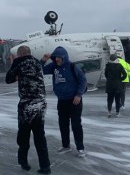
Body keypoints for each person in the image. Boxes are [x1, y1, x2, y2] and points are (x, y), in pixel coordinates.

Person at [5, 46, 51, 174]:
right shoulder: (37, 62)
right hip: (41, 104)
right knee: (40, 136)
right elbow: (34, 70)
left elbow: (8, 79)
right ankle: (45, 166)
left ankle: (23, 162)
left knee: (24, 136)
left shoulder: (19, 62)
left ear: (19, 54)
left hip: (27, 105)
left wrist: (13, 62)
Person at [41, 46, 87, 157]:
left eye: (59, 58)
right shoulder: (54, 66)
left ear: (64, 57)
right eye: (55, 57)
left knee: (76, 125)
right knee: (63, 124)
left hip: (74, 101)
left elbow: (83, 81)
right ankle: (66, 146)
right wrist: (43, 60)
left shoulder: (73, 67)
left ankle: (80, 148)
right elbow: (40, 70)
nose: (57, 59)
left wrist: (78, 95)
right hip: (62, 101)